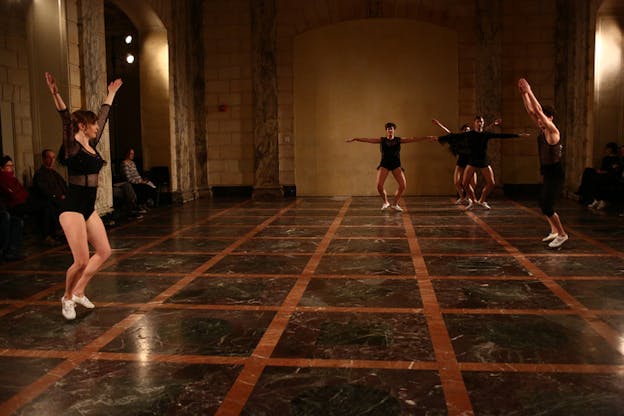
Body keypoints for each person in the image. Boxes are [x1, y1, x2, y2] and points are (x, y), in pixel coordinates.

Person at [45, 71, 122, 320]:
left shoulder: (92, 144)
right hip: (72, 208)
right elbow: (65, 117)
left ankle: (79, 291)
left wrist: (111, 93)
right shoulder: (72, 145)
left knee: (104, 252)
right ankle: (67, 298)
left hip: (88, 208)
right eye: (93, 124)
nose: (97, 126)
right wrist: (55, 93)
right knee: (80, 261)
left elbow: (104, 116)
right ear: (82, 126)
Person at [518, 78, 568, 248]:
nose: (539, 121)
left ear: (550, 118)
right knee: (542, 202)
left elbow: (537, 111)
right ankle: (554, 231)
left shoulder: (553, 131)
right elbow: (532, 112)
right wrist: (524, 94)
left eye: (543, 119)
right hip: (547, 172)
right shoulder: (543, 128)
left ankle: (562, 234)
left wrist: (530, 90)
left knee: (547, 205)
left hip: (555, 173)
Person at [438, 116, 528, 210]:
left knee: (491, 183)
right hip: (472, 160)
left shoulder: (486, 134)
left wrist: (518, 135)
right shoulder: (470, 134)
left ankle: (481, 200)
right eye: (478, 121)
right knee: (465, 183)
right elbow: (454, 136)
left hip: (483, 160)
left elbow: (501, 135)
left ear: (483, 123)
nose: (480, 123)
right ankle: (473, 201)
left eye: (481, 122)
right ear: (475, 123)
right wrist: (439, 138)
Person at [346, 122, 435, 211]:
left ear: (394, 130)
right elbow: (368, 139)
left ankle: (395, 204)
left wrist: (426, 137)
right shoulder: (382, 140)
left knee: (403, 185)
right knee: (379, 186)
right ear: (386, 131)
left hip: (396, 164)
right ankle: (386, 202)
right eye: (388, 129)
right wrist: (356, 139)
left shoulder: (398, 140)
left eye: (391, 129)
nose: (390, 130)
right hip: (384, 164)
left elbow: (413, 139)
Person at [432, 119, 476, 204]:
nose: (466, 131)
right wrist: (439, 124)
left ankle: (468, 197)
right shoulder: (459, 138)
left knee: (473, 183)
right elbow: (450, 134)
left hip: (471, 162)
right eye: (465, 130)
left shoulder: (473, 138)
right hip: (461, 162)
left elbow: (484, 133)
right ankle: (462, 197)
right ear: (462, 131)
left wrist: (493, 124)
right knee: (456, 182)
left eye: (468, 130)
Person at [32, 149, 68, 243]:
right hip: (47, 200)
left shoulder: (55, 173)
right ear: (44, 159)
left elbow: (63, 185)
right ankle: (53, 233)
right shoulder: (40, 174)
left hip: (59, 199)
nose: (52, 160)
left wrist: (65, 195)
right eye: (49, 158)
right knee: (50, 207)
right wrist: (57, 196)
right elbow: (43, 190)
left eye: (53, 157)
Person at [0, 157, 25, 260]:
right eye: (8, 166)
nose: (11, 168)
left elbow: (23, 192)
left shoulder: (13, 179)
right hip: (8, 207)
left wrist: (17, 195)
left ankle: (13, 250)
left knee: (17, 221)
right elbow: (9, 194)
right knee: (7, 216)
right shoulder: (2, 179)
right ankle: (4, 250)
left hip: (14, 205)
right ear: (2, 168)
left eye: (12, 166)